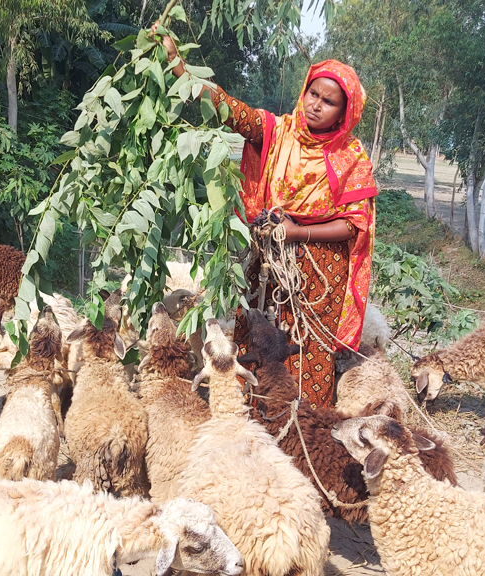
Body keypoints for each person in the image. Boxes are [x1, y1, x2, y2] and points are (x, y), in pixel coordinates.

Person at [155, 27, 377, 409]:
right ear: (304, 90)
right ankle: (252, 418)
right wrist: (179, 65)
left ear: (345, 112)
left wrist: (298, 233)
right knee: (257, 334)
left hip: (319, 275)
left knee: (309, 352)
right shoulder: (276, 132)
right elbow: (228, 108)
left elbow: (354, 225)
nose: (316, 105)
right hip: (269, 263)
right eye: (313, 94)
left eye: (329, 101)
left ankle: (305, 427)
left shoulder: (351, 158)